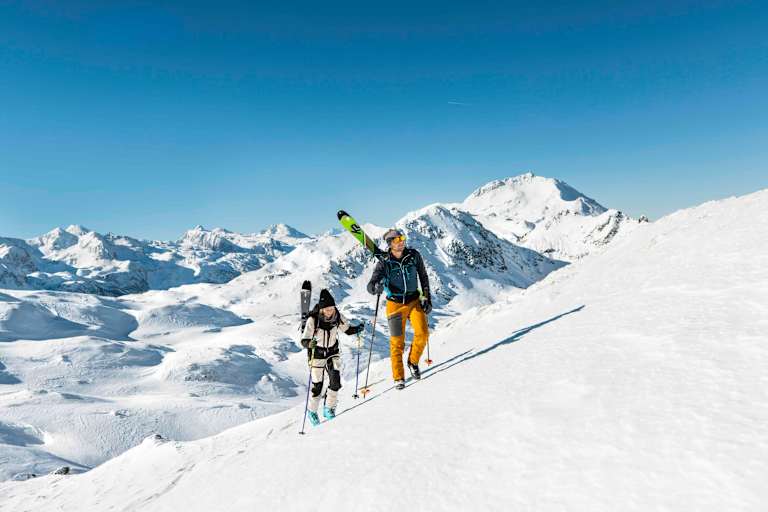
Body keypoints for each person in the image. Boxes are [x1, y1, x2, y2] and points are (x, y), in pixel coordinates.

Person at [367, 228, 432, 390]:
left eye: (402, 238)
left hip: (414, 300)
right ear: (390, 243)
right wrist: (376, 287)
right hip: (395, 304)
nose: (401, 241)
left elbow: (423, 276)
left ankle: (413, 362)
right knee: (397, 342)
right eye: (397, 239)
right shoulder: (384, 262)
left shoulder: (413, 255)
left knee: (423, 334)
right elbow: (371, 283)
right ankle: (399, 377)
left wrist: (426, 297)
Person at [300, 288, 364, 425]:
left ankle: (329, 408)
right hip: (317, 354)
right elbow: (304, 340)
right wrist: (309, 344)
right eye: (327, 309)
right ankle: (312, 411)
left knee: (335, 381)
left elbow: (347, 330)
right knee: (318, 386)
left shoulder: (337, 317)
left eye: (332, 308)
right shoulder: (314, 320)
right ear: (322, 309)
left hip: (332, 352)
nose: (330, 311)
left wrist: (357, 329)